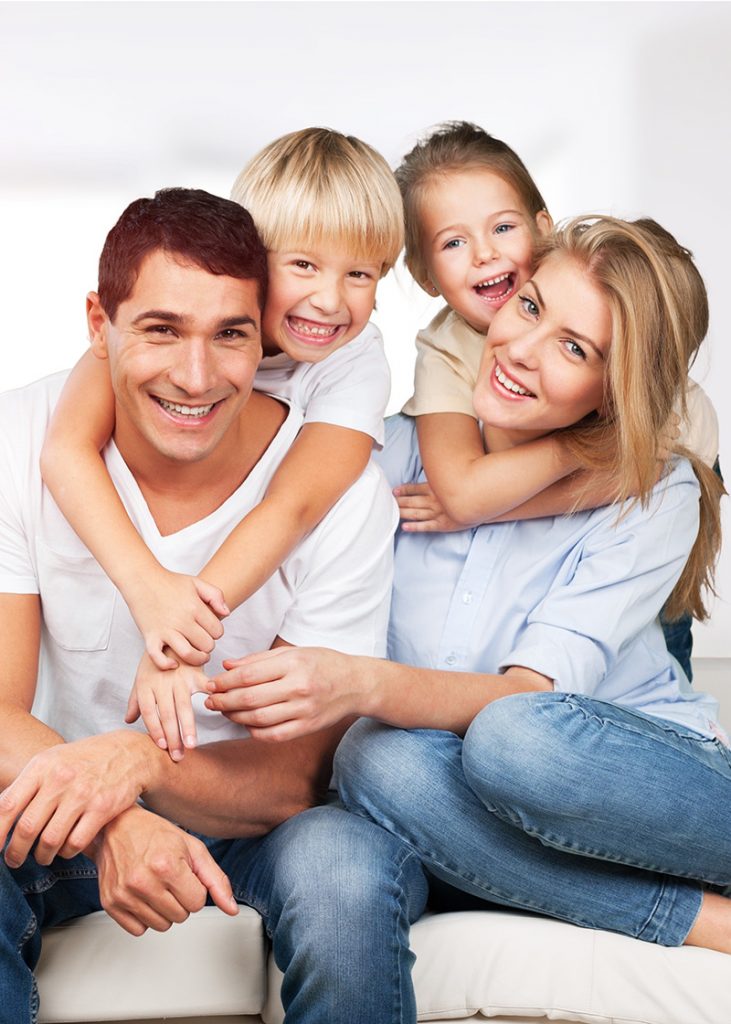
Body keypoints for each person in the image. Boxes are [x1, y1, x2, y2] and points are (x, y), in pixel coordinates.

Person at [208, 216, 731, 957]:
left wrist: (360, 682)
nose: (519, 351)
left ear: (615, 389)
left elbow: (528, 698)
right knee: (370, 759)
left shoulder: (652, 491)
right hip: (481, 811)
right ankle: (695, 921)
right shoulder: (381, 455)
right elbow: (223, 406)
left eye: (574, 349)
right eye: (528, 307)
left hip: (659, 788)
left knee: (517, 737)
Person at [0, 188, 428, 1024]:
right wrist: (112, 812)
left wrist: (144, 763)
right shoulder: (25, 437)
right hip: (65, 803)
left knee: (344, 869)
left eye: (230, 335)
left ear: (263, 331)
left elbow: (293, 781)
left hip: (262, 829)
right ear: (100, 323)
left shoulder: (339, 495)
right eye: (161, 329)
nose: (196, 378)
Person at [39, 128, 403, 760]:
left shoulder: (355, 364)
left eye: (360, 274)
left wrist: (180, 638)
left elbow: (292, 505)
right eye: (304, 265)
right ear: (254, 261)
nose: (329, 299)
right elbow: (65, 451)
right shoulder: (165, 318)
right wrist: (149, 589)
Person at [395, 121, 721, 677]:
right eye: (453, 242)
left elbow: (656, 478)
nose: (484, 253)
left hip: (637, 548)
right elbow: (466, 493)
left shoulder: (649, 369)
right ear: (425, 276)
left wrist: (573, 455)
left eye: (502, 226)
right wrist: (583, 452)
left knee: (658, 641)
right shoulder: (448, 348)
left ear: (542, 231)